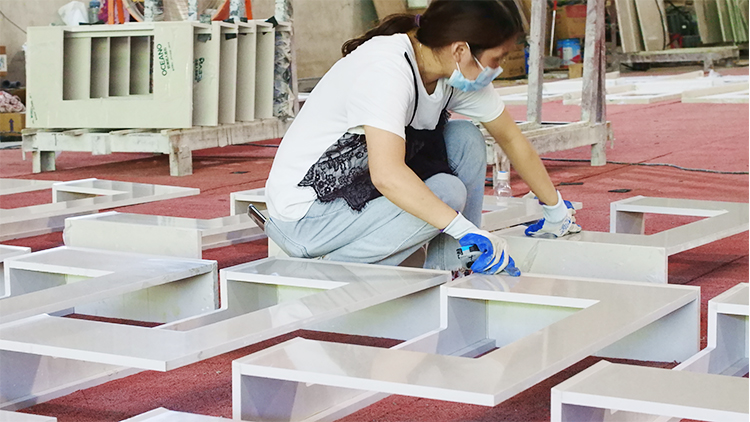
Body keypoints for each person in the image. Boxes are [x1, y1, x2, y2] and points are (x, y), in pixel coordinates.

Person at [264, 0, 580, 275]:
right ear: (460, 50)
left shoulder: (452, 70)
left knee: (466, 139)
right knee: (445, 192)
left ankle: (456, 264)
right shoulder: (386, 70)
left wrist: (555, 212)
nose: (496, 70)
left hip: (357, 191)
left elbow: (511, 139)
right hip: (306, 217)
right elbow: (387, 175)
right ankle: (332, 274)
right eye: (496, 60)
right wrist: (464, 228)